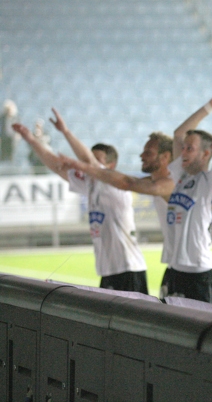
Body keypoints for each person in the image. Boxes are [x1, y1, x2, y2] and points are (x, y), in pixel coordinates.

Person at [13, 109, 148, 293]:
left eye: (97, 161)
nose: (87, 167)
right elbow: (54, 164)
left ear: (111, 166)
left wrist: (66, 132)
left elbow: (87, 162)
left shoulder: (114, 186)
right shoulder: (90, 184)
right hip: (108, 271)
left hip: (129, 270)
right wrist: (30, 139)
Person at [60, 131, 175, 287]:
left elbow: (126, 182)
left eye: (148, 152)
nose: (141, 155)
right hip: (173, 268)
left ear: (165, 157)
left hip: (189, 269)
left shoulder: (169, 183)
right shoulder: (151, 182)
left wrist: (67, 134)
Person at [161, 89, 212, 302]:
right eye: (183, 148)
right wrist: (209, 106)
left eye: (189, 149)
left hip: (199, 273)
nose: (183, 152)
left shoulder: (210, 180)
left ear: (205, 153)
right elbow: (177, 134)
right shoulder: (181, 175)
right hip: (174, 270)